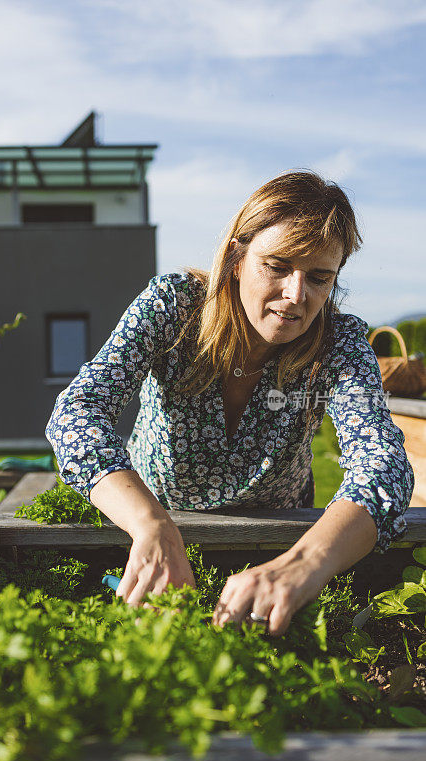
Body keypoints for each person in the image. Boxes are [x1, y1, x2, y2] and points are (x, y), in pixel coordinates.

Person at [45, 171, 414, 636]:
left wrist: (304, 563)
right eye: (277, 267)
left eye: (319, 277)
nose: (296, 295)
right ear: (237, 259)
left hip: (276, 550)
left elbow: (383, 466)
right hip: (154, 543)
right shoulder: (173, 306)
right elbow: (78, 412)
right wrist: (150, 523)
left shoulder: (339, 342)